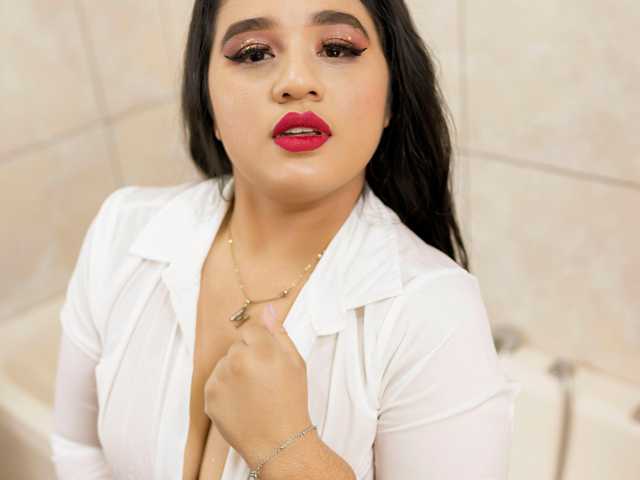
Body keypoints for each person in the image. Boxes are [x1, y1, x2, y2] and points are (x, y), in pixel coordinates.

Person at [50, 0, 521, 479]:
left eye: (336, 48)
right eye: (254, 53)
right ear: (208, 104)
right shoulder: (122, 230)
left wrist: (286, 448)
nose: (296, 81)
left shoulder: (435, 309)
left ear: (391, 99)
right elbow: (76, 448)